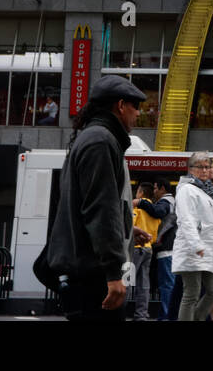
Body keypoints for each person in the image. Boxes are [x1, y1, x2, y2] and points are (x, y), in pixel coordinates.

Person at [46, 76, 147, 321]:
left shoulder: (94, 138)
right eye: (136, 107)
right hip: (95, 275)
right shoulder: (101, 142)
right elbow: (100, 209)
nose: (138, 114)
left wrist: (127, 228)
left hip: (89, 270)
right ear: (121, 105)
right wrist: (114, 274)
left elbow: (92, 205)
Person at [172, 151, 213, 321]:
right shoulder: (187, 189)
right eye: (200, 167)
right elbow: (186, 220)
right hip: (192, 248)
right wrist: (196, 245)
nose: (204, 170)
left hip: (209, 249)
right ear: (191, 169)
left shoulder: (210, 191)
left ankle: (197, 318)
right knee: (191, 293)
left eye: (207, 167)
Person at [136, 178, 177, 319]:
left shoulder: (166, 202)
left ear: (162, 189)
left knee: (166, 285)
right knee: (148, 283)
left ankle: (166, 316)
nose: (154, 192)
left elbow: (158, 211)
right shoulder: (171, 202)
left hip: (165, 249)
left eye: (155, 188)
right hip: (160, 249)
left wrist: (141, 202)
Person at [131, 182, 159, 321]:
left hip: (134, 249)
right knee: (143, 284)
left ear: (141, 193)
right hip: (148, 249)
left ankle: (118, 311)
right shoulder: (154, 210)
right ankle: (141, 315)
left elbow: (129, 224)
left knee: (125, 280)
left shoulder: (138, 207)